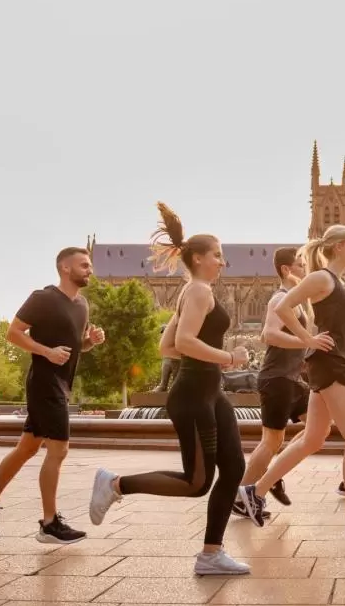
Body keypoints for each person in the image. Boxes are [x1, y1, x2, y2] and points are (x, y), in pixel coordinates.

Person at [88, 203, 252, 576]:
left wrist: (212, 359)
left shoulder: (193, 291)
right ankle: (114, 484)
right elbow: (186, 341)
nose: (223, 262)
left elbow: (167, 347)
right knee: (197, 483)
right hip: (194, 394)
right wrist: (230, 357)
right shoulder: (196, 292)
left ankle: (211, 554)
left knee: (234, 467)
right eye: (218, 255)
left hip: (210, 392)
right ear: (198, 258)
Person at [238, 224, 345, 538]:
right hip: (329, 365)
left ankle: (255, 492)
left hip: (330, 364)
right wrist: (308, 338)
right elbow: (282, 307)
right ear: (338, 246)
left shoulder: (342, 285)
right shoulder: (321, 278)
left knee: (313, 439)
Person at [0, 247, 105, 545]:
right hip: (44, 382)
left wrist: (89, 342)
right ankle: (49, 523)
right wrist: (45, 351)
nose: (89, 270)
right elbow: (13, 332)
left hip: (61, 385)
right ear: (65, 268)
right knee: (59, 450)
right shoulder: (42, 298)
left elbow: (73, 346)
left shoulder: (82, 305)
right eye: (84, 265)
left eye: (90, 265)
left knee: (27, 449)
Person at [232, 247, 334, 517]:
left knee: (320, 429)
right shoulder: (279, 298)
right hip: (276, 379)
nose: (305, 269)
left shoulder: (298, 302)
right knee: (271, 441)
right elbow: (270, 334)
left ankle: (273, 473)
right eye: (300, 265)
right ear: (286, 270)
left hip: (292, 380)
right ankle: (242, 497)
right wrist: (307, 340)